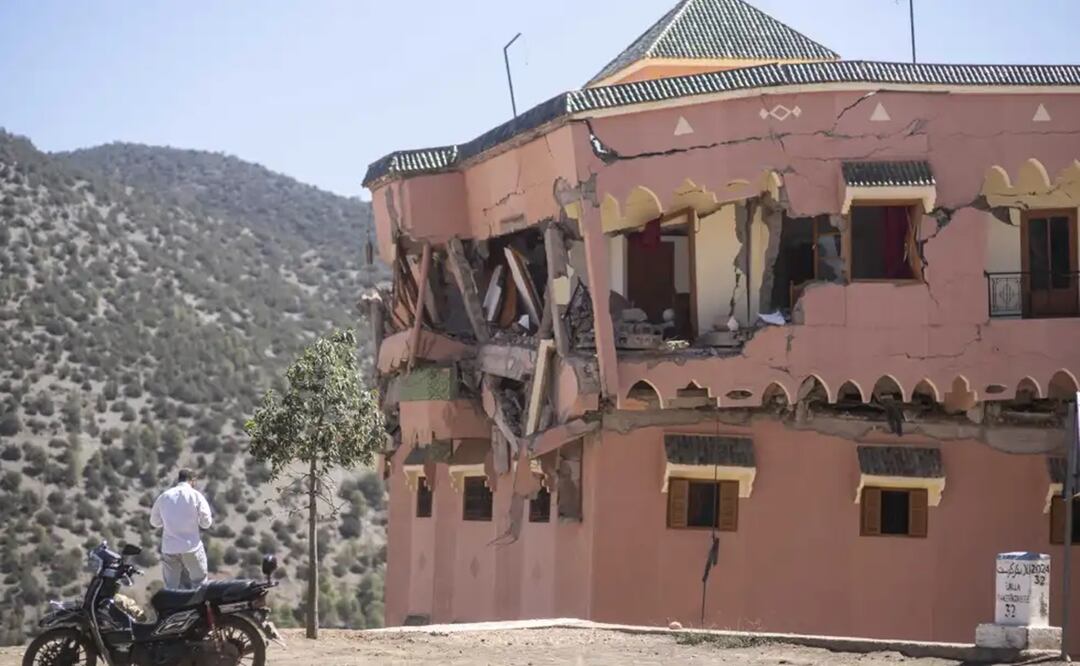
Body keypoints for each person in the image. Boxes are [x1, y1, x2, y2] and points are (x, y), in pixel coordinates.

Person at [150, 468, 213, 589]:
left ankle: (172, 607)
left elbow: (154, 522)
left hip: (170, 547)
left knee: (171, 586)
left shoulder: (164, 496)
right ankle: (199, 606)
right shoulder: (196, 496)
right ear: (192, 481)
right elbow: (206, 523)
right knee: (200, 582)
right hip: (191, 546)